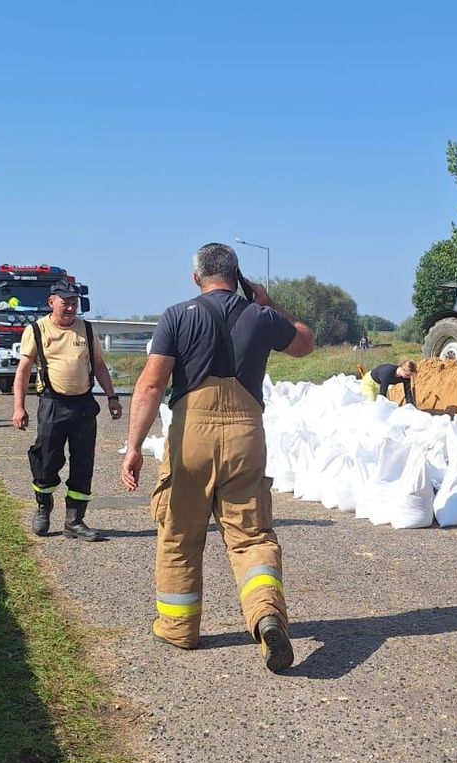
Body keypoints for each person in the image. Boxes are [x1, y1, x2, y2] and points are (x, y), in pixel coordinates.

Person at [120, 243, 314, 672]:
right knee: (252, 537)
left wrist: (134, 446)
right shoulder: (261, 318)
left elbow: (151, 386)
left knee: (179, 534)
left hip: (191, 436)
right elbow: (305, 344)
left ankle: (178, 628)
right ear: (238, 274)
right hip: (246, 434)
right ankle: (266, 617)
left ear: (196, 277)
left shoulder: (176, 316)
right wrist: (268, 303)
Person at [12, 281, 122, 541]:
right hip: (52, 404)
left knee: (83, 463)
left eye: (74, 302)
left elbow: (99, 364)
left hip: (83, 405)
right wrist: (19, 407)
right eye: (66, 302)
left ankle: (75, 521)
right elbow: (23, 371)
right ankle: (43, 507)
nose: (71, 307)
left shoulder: (87, 328)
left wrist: (112, 397)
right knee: (47, 459)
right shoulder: (37, 330)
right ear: (52, 303)